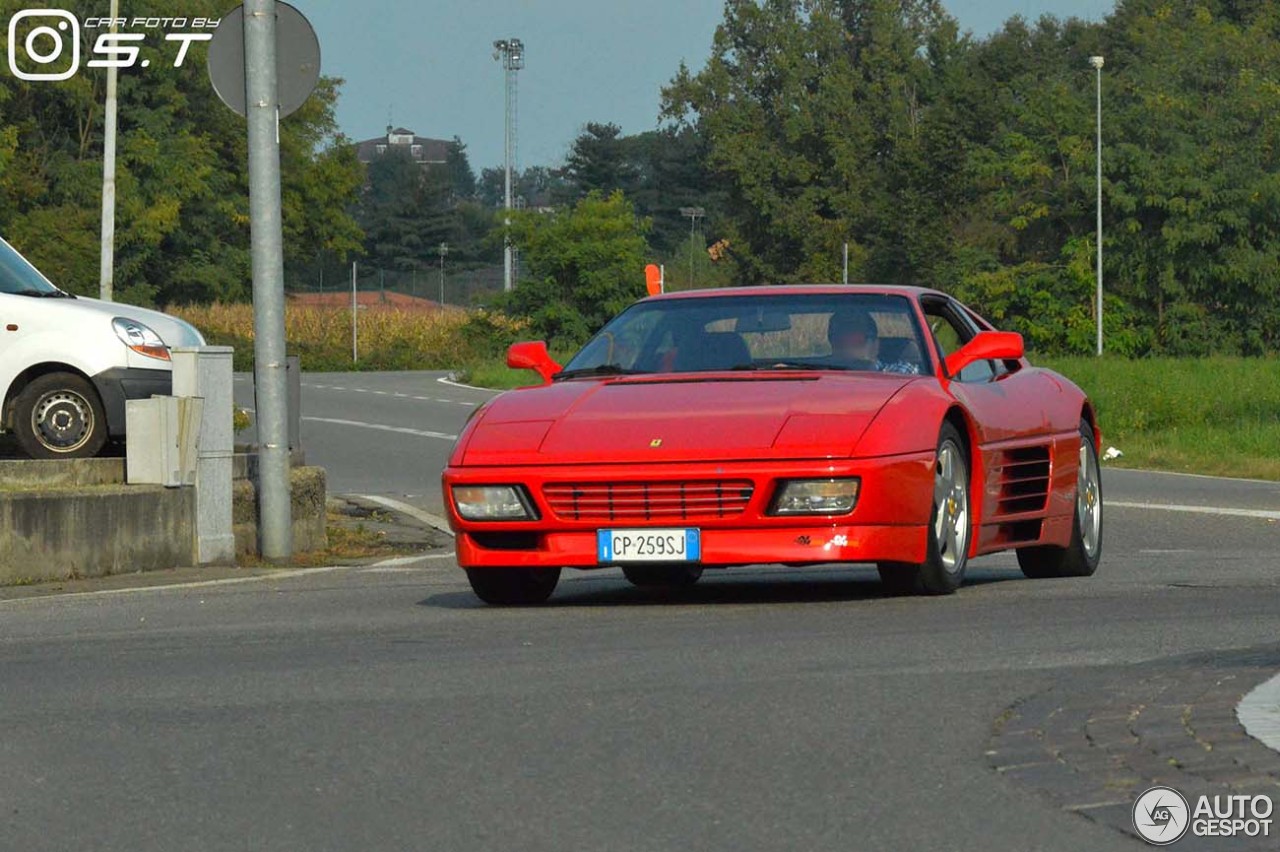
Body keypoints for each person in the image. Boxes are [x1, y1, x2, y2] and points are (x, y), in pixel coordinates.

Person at [827, 309, 922, 375]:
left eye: (855, 339)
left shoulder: (898, 374)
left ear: (875, 345)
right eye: (839, 340)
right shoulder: (820, 376)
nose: (847, 346)